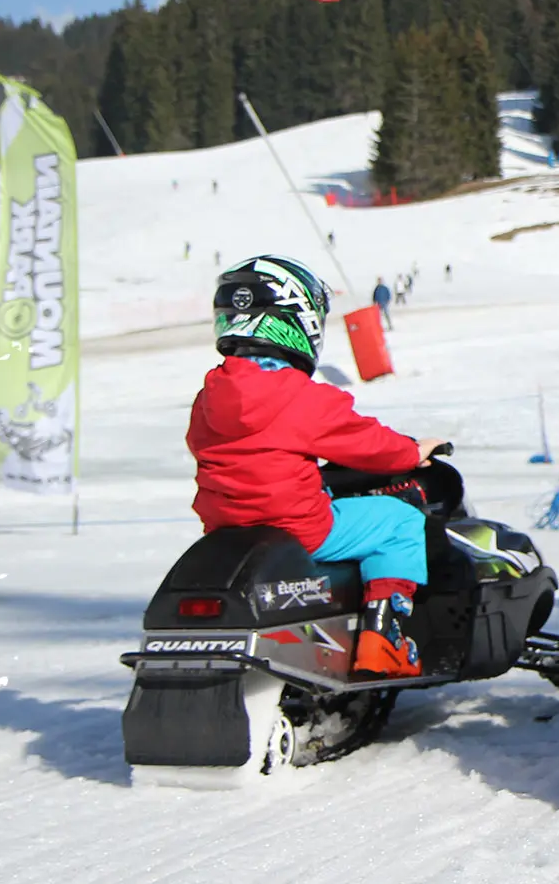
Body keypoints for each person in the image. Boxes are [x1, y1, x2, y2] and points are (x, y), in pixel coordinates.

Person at [187, 255, 446, 677]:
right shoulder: (300, 395)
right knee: (398, 521)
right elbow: (367, 444)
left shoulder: (209, 395)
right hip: (300, 527)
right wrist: (412, 452)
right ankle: (385, 640)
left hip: (228, 530)